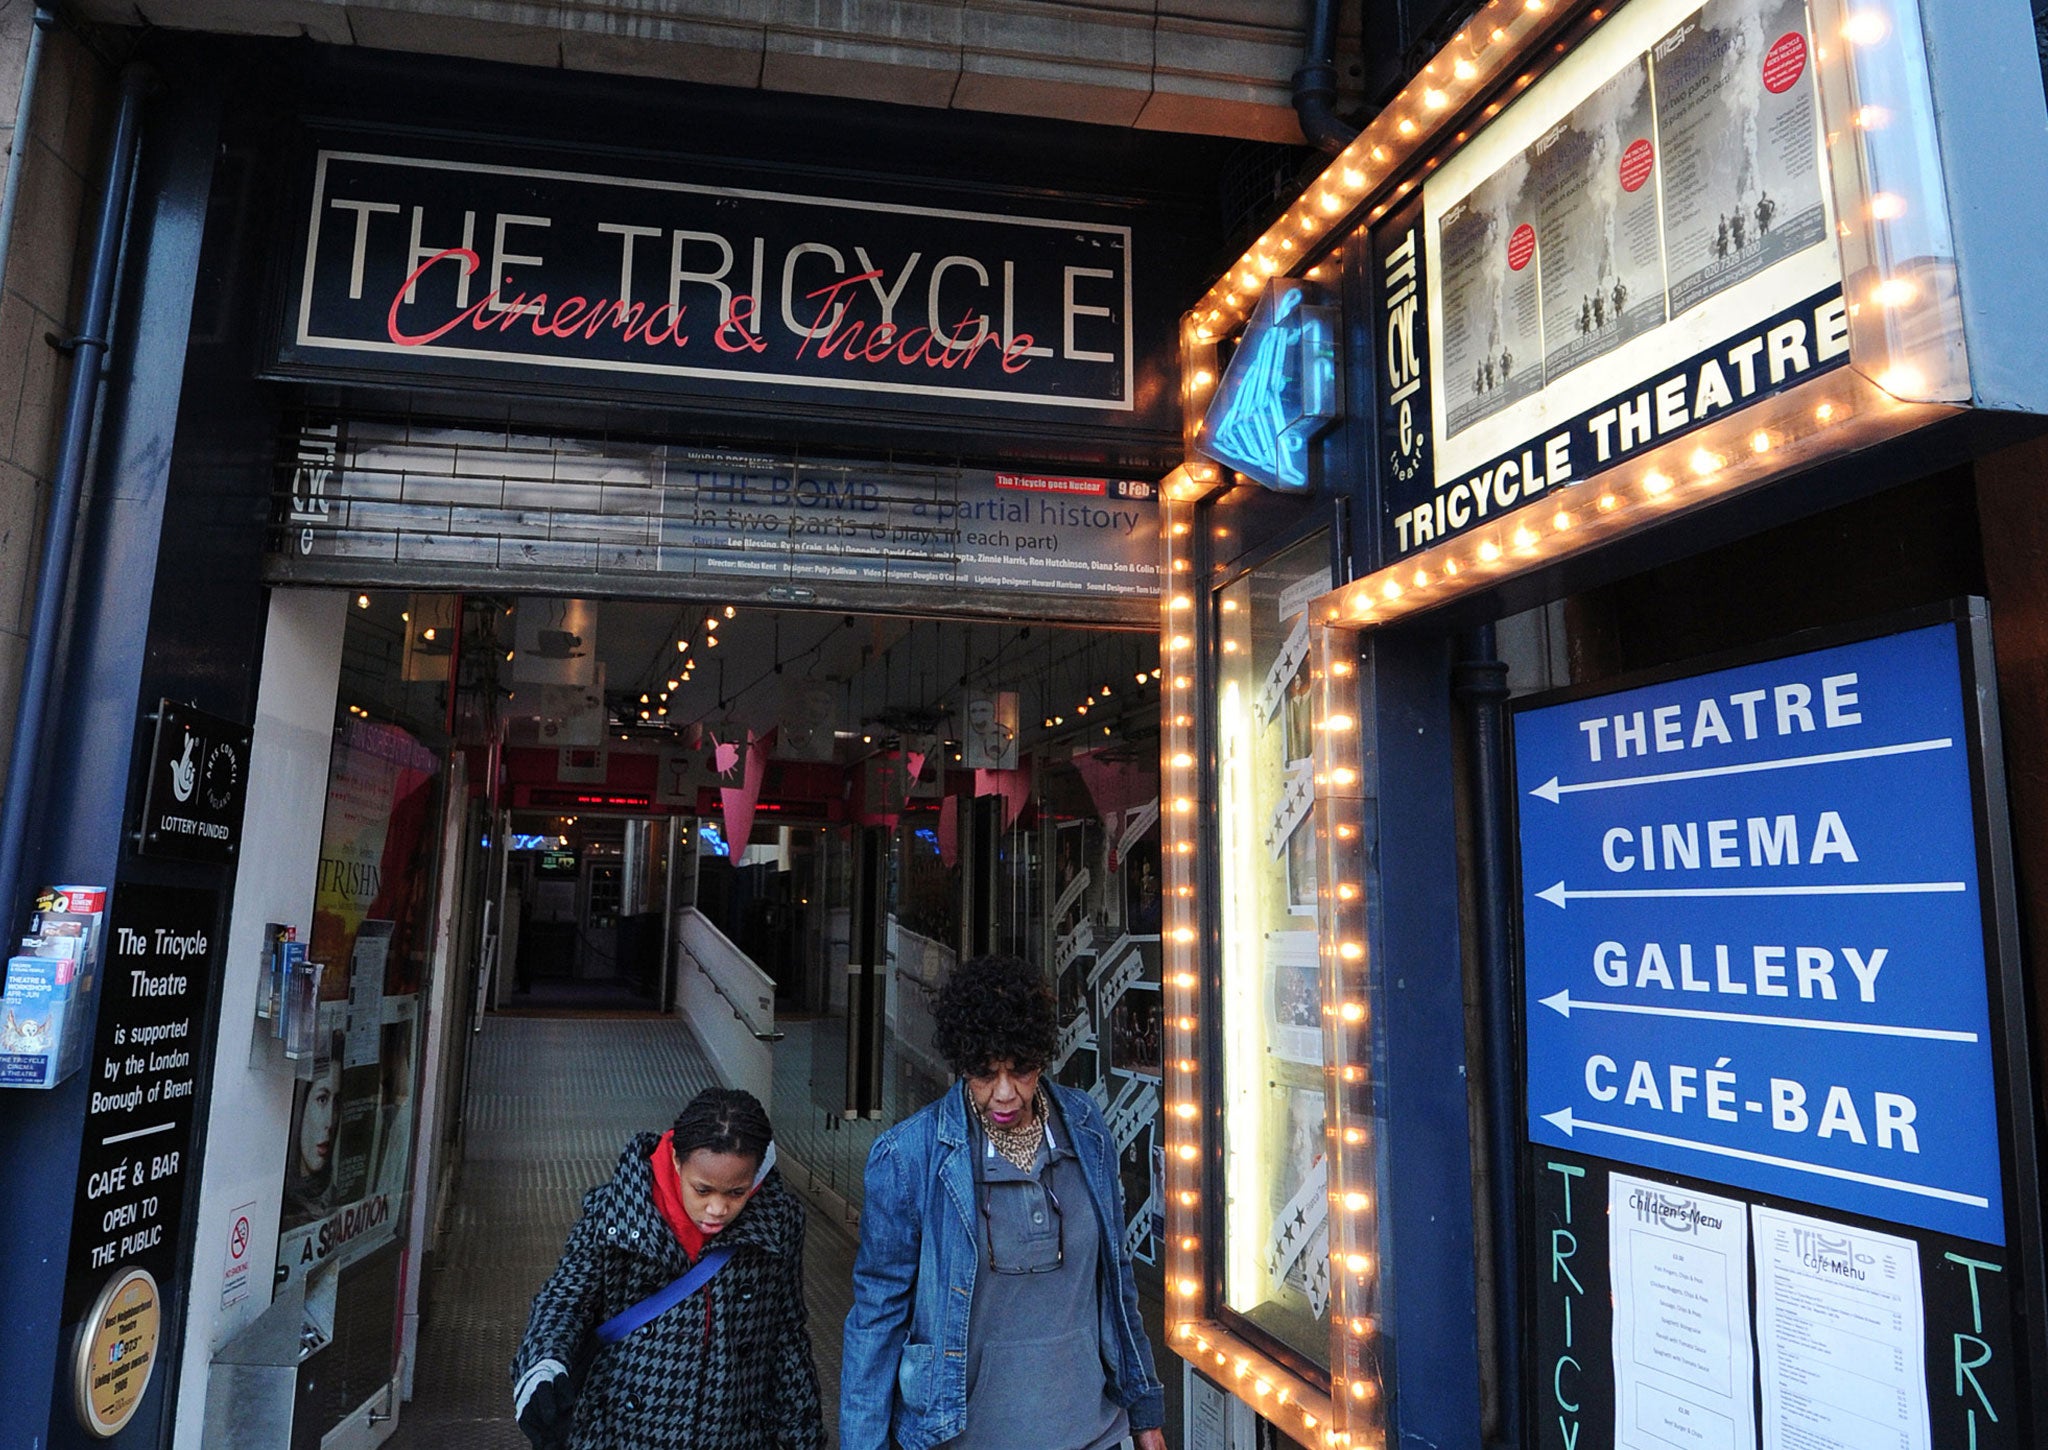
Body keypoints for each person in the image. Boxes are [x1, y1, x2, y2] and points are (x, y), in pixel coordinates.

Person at [841, 953, 1167, 1450]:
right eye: (984, 1073)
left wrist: (1144, 1413)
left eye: (1021, 1070)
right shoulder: (909, 1156)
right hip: (961, 1436)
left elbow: (1116, 1278)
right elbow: (876, 1318)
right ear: (960, 1063)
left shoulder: (1084, 1127)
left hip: (1092, 1432)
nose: (1004, 1094)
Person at [511, 1088, 824, 1450]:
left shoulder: (779, 1221)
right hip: (622, 1432)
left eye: (736, 1193)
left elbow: (785, 1334)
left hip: (735, 1431)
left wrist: (803, 1435)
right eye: (702, 1190)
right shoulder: (614, 1213)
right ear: (676, 1161)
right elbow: (565, 1300)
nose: (717, 1209)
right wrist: (542, 1367)